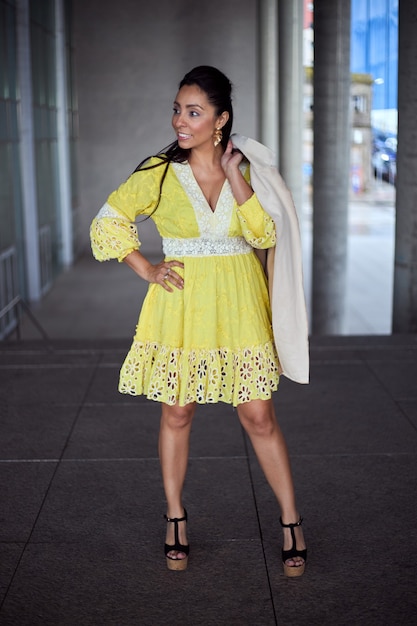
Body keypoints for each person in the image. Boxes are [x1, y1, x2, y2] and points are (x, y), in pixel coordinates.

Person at [90, 65, 308, 577]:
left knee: (258, 416)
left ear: (220, 119)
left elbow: (262, 236)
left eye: (193, 112)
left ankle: (291, 520)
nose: (180, 121)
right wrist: (145, 266)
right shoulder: (158, 172)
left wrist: (235, 177)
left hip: (238, 306)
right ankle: (175, 515)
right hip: (180, 308)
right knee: (177, 413)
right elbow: (108, 218)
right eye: (176, 110)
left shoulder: (248, 170)